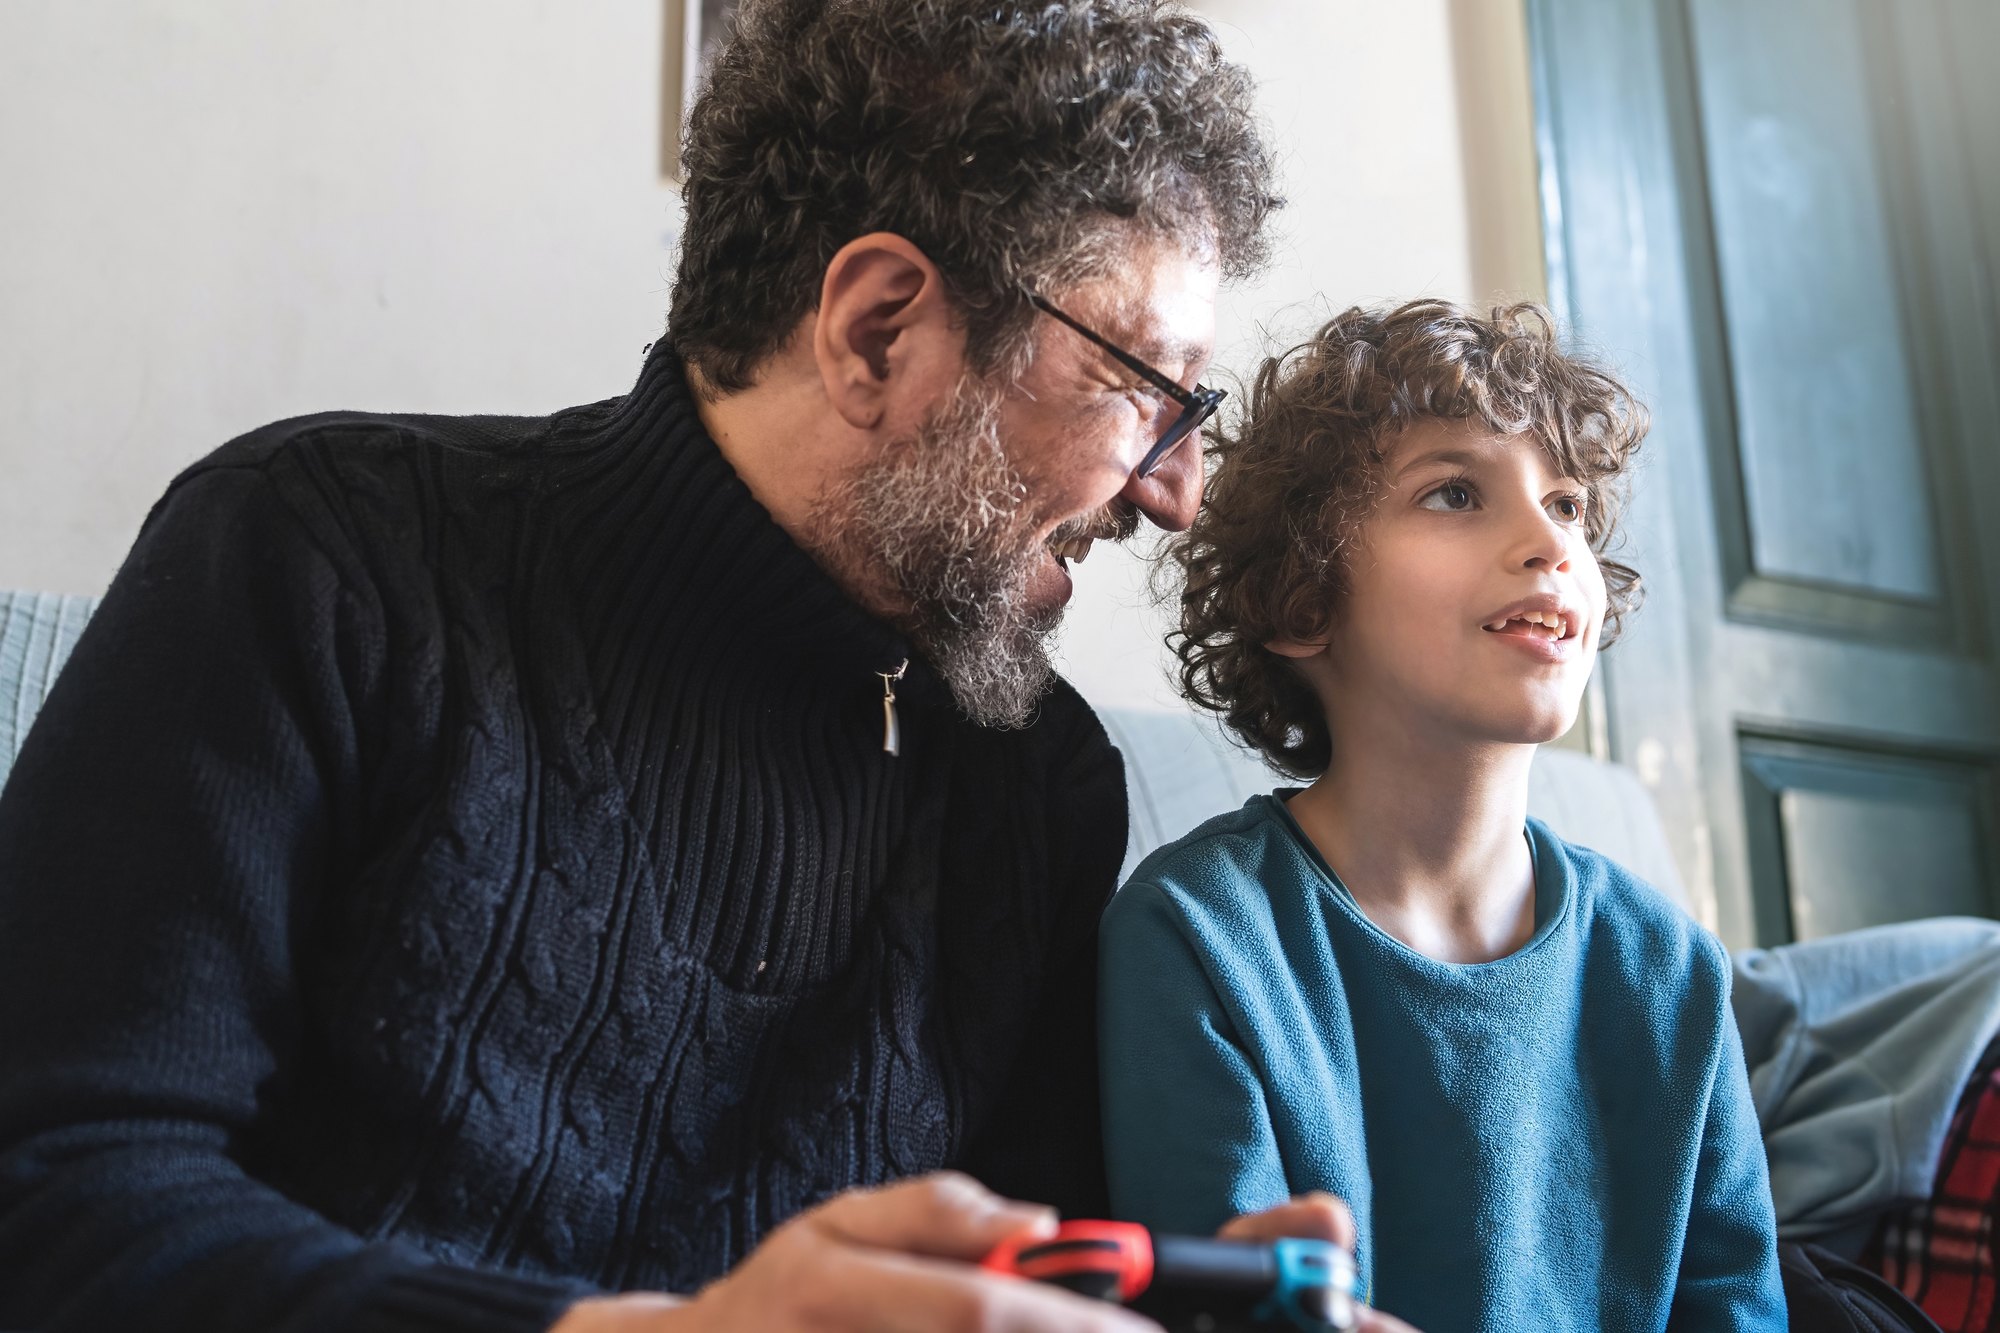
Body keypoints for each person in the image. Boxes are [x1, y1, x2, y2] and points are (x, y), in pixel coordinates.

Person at [0, 2, 1398, 1330]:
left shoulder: (1037, 784)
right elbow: (57, 1195)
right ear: (879, 330)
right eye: (1146, 389)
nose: (1178, 493)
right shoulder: (320, 561)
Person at [1099, 300, 1789, 1331]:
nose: (1547, 542)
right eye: (1455, 492)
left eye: (1564, 503)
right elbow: (1232, 1302)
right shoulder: (1196, 936)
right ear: (1301, 600)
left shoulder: (1670, 970)